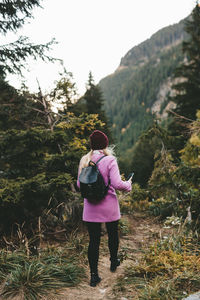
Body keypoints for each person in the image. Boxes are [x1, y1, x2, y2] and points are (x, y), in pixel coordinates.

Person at [77, 130, 132, 287]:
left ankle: (94, 276)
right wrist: (128, 185)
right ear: (105, 144)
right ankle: (114, 262)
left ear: (91, 145)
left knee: (93, 241)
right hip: (109, 207)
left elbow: (79, 185)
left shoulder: (84, 160)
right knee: (113, 234)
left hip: (90, 208)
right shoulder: (110, 159)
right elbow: (117, 184)